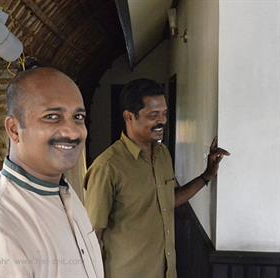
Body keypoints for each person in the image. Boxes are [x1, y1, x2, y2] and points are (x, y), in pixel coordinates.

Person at [0, 67, 103, 277]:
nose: (72, 131)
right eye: (52, 116)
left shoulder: (65, 194)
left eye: (78, 117)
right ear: (14, 129)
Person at [84, 79, 230, 278]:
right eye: (153, 115)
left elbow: (169, 200)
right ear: (129, 117)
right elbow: (92, 235)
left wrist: (207, 175)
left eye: (164, 113)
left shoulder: (163, 155)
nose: (162, 121)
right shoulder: (108, 167)